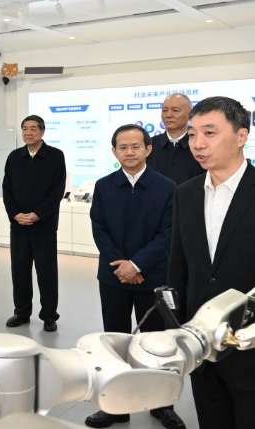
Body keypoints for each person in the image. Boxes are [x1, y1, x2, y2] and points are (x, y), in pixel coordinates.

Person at [85, 124, 184, 429]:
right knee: (114, 342)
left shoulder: (167, 187)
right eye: (123, 147)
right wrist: (122, 266)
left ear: (148, 149)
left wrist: (137, 265)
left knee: (157, 344)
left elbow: (168, 233)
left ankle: (161, 405)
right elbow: (99, 227)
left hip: (152, 278)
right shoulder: (104, 186)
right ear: (114, 151)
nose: (129, 152)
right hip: (113, 277)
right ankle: (116, 407)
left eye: (135, 146)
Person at [169, 96, 255, 429]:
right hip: (201, 341)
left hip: (249, 341)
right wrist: (180, 329)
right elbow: (178, 265)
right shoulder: (186, 193)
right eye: (192, 134)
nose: (198, 144)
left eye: (209, 133)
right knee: (211, 416)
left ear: (241, 136)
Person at [2, 115, 66, 332]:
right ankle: (21, 312)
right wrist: (15, 214)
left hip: (44, 226)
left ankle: (49, 315)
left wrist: (38, 214)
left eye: (33, 128)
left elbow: (57, 191)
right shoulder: (14, 157)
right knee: (19, 271)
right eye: (25, 129)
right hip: (19, 226)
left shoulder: (55, 156)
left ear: (42, 131)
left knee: (47, 272)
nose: (28, 133)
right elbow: (7, 189)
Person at [148, 93, 204, 185]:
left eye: (175, 110)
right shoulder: (149, 145)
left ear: (190, 114)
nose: (168, 115)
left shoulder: (201, 144)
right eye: (165, 110)